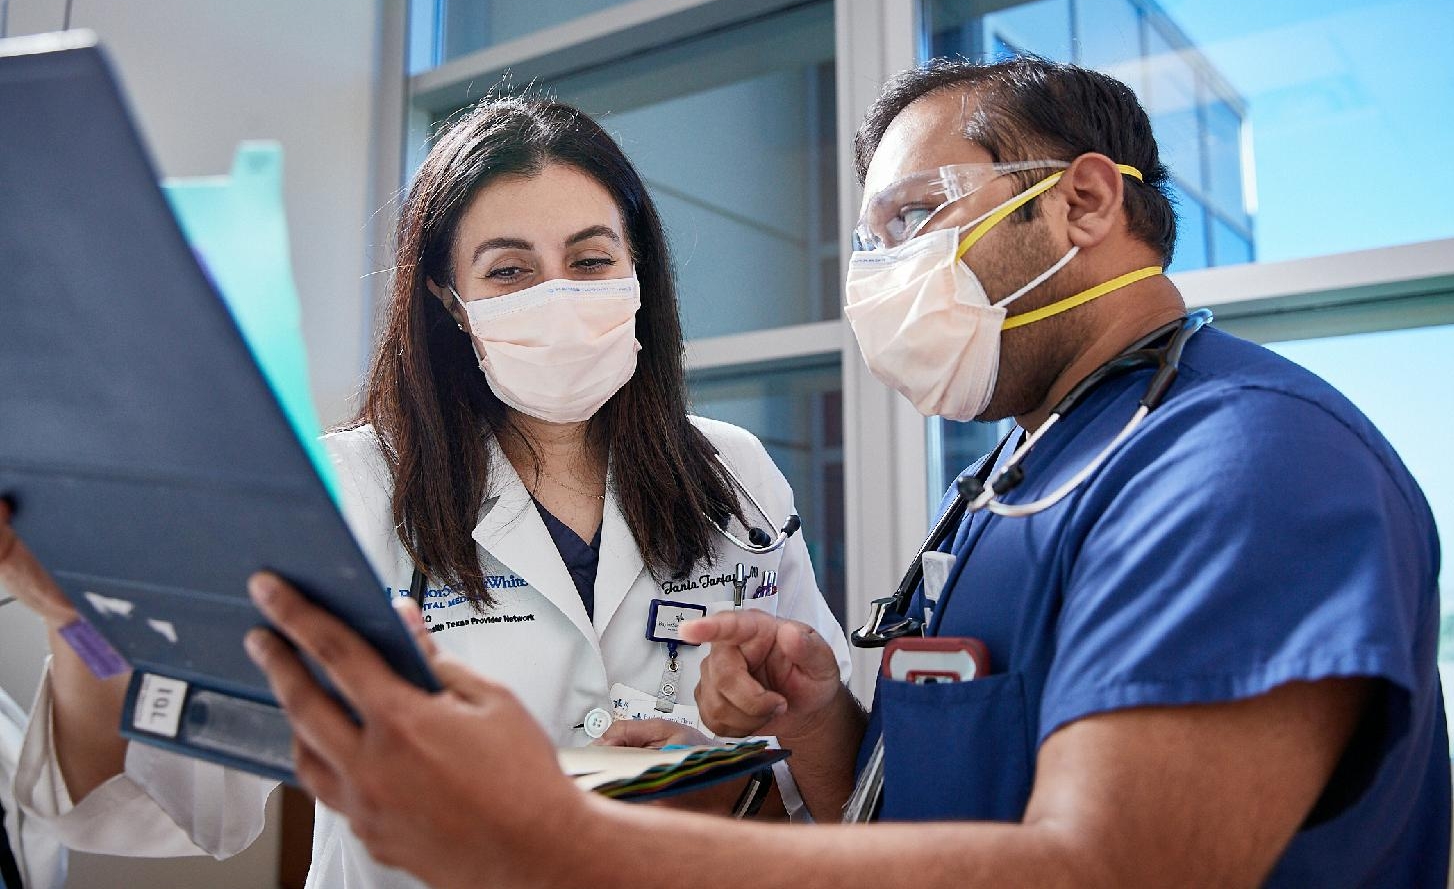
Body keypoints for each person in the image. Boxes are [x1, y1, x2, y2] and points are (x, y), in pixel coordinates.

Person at [216, 54, 1448, 889]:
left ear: (1081, 203)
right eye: (869, 237)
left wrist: (552, 836)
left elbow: (1099, 867)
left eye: (915, 217)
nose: (882, 273)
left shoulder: (1242, 465)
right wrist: (821, 722)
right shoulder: (1025, 476)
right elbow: (918, 803)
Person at [0, 96, 851, 887]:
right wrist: (84, 623)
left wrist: (724, 785)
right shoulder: (346, 492)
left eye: (592, 260)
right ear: (448, 299)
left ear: (640, 274)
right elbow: (166, 801)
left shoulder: (732, 476)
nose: (559, 296)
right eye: (510, 271)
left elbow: (843, 780)